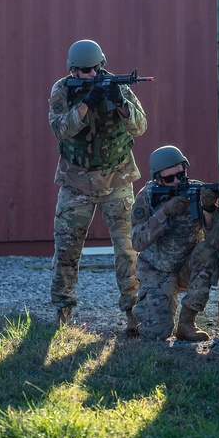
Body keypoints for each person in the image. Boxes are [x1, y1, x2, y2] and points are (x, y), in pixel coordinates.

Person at [48, 39, 148, 334]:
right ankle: (63, 311)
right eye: (81, 71)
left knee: (127, 251)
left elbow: (140, 127)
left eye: (93, 70)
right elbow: (59, 129)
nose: (88, 75)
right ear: (72, 70)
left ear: (101, 66)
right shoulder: (62, 90)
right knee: (67, 249)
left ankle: (134, 314)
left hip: (116, 178)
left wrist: (120, 102)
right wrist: (85, 104)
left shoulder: (118, 86)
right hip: (76, 181)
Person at [130, 145, 219, 341]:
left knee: (209, 252)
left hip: (185, 267)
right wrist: (164, 212)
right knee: (156, 334)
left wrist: (208, 209)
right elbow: (137, 242)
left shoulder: (197, 191)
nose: (176, 182)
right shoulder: (146, 197)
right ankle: (144, 308)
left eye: (181, 176)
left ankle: (187, 323)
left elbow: (216, 241)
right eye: (169, 179)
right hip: (156, 271)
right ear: (157, 178)